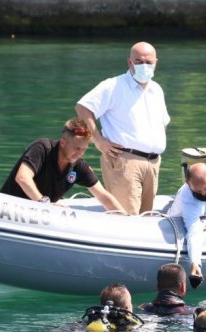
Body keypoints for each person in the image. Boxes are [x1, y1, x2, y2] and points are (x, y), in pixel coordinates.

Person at [75, 41, 170, 215]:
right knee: (126, 218)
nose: (144, 66)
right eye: (138, 61)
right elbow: (83, 108)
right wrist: (98, 140)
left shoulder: (156, 89)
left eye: (148, 62)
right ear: (129, 62)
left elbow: (163, 122)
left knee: (146, 217)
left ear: (156, 62)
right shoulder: (113, 86)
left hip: (154, 163)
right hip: (124, 160)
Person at [0, 118, 126, 212]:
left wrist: (124, 217)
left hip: (42, 215)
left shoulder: (79, 166)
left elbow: (104, 196)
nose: (80, 154)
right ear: (63, 142)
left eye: (84, 149)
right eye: (77, 148)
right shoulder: (42, 148)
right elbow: (22, 178)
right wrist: (44, 203)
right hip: (8, 210)